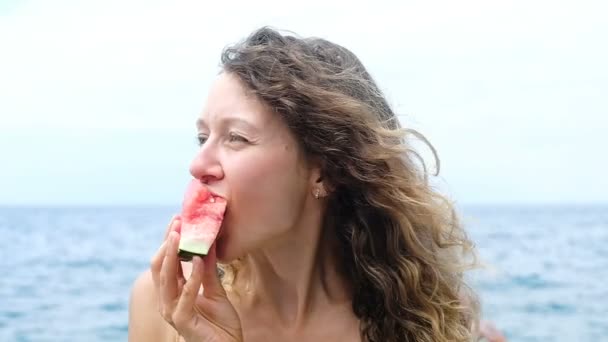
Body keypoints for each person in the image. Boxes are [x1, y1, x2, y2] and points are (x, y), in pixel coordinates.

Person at [129, 27, 507, 342]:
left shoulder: (424, 317)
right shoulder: (164, 306)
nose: (198, 165)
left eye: (237, 138)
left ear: (324, 170)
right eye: (203, 138)